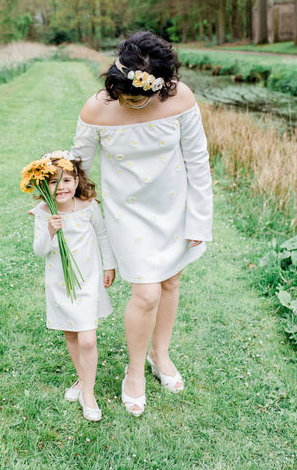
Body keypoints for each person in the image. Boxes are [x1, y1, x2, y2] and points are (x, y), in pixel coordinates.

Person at [71, 31, 213, 417]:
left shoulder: (181, 98)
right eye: (125, 97)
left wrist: (199, 218)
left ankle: (159, 355)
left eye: (140, 98)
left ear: (162, 85)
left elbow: (197, 161)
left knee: (170, 281)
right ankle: (134, 373)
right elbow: (79, 167)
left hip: (173, 206)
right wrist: (67, 209)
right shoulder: (96, 109)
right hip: (125, 212)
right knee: (146, 292)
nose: (132, 104)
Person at [28, 150, 116, 421]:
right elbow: (40, 250)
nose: (61, 186)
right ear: (43, 185)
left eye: (67, 180)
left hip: (87, 279)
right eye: (54, 181)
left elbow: (102, 233)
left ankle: (87, 393)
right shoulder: (44, 213)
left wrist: (108, 265)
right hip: (60, 282)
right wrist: (51, 231)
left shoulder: (88, 206)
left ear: (77, 181)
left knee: (88, 339)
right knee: (71, 334)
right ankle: (81, 380)